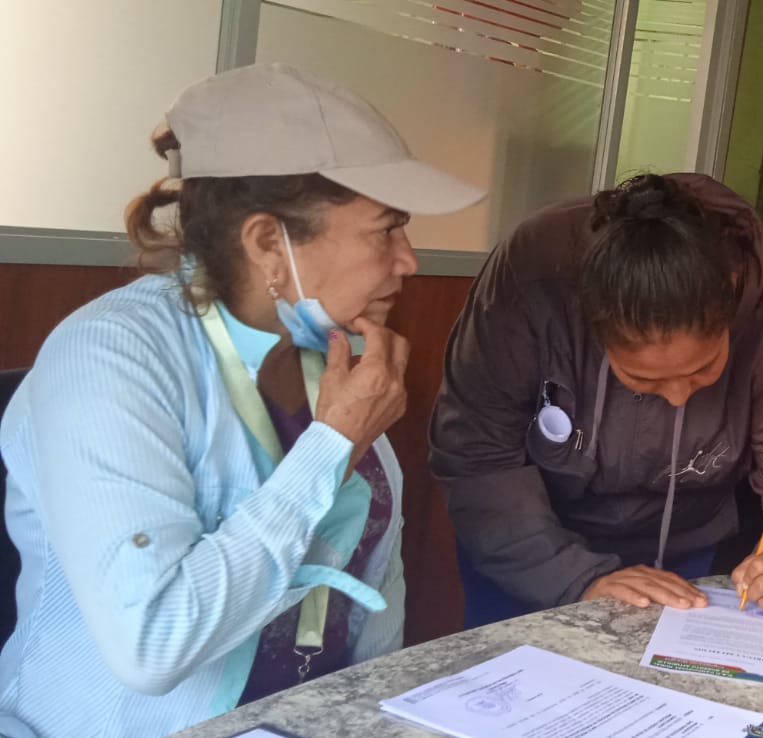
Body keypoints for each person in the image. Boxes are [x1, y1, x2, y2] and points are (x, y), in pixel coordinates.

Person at [0, 63, 483, 738]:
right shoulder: (110, 355)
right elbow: (153, 643)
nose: (408, 260)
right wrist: (332, 447)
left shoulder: (330, 352)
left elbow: (373, 591)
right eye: (385, 230)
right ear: (267, 243)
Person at [430, 173, 763, 626]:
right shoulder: (531, 274)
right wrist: (577, 578)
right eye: (643, 378)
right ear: (594, 323)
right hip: (525, 545)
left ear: (731, 292)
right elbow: (478, 457)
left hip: (680, 552)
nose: (678, 398)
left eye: (702, 370)